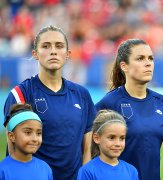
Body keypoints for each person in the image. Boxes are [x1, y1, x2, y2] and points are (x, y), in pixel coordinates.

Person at [3, 25, 96, 180]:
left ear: (67, 54)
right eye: (46, 46)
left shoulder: (82, 95)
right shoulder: (21, 94)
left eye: (59, 46)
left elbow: (87, 149)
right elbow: (13, 149)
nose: (53, 51)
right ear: (35, 54)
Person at [95, 39, 163, 180]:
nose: (148, 63)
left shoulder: (162, 103)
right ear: (124, 66)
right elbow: (92, 151)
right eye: (140, 58)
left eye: (150, 58)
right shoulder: (109, 103)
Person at [77, 110, 138, 180]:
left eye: (122, 138)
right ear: (96, 138)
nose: (118, 144)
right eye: (111, 138)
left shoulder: (131, 171)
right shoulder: (87, 171)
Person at [0, 104, 53, 180]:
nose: (35, 139)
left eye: (38, 133)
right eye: (28, 132)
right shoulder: (3, 170)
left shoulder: (45, 168)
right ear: (12, 136)